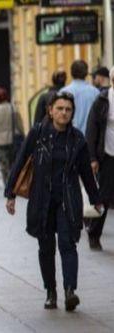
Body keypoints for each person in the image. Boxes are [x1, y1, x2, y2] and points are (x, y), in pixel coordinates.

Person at [5, 92, 102, 312]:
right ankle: (51, 291)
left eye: (68, 109)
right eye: (60, 108)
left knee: (68, 244)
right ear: (51, 110)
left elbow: (86, 173)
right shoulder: (38, 133)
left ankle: (70, 291)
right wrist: (10, 193)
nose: (64, 113)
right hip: (42, 199)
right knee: (45, 247)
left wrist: (96, 200)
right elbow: (20, 160)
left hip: (67, 200)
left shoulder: (77, 139)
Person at [84, 66, 114, 251]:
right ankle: (94, 233)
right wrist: (93, 158)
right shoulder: (102, 100)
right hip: (107, 154)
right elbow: (92, 130)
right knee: (102, 196)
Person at [0, 88, 24, 186]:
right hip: (12, 139)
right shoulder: (13, 108)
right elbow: (20, 125)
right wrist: (24, 136)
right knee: (13, 163)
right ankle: (13, 182)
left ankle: (7, 183)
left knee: (3, 164)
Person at [60, 60, 100, 134]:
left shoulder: (64, 92)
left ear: (71, 73)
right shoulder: (95, 92)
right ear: (86, 73)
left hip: (69, 136)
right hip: (90, 137)